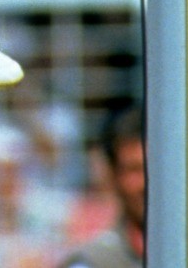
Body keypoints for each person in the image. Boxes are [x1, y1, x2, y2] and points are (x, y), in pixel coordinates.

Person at [58, 106, 144, 268]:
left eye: (157, 169)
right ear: (113, 176)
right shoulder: (92, 262)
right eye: (134, 169)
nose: (146, 182)